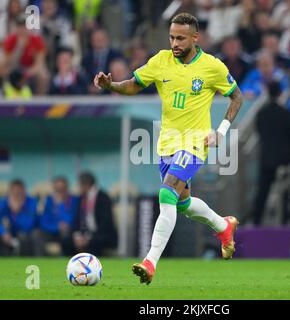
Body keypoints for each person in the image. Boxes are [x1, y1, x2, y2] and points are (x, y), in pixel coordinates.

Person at [94, 12, 243, 285]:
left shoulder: (212, 66)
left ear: (195, 38)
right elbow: (134, 85)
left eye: (181, 38)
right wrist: (110, 85)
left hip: (195, 144)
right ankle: (224, 226)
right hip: (167, 145)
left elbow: (236, 97)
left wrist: (220, 132)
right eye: (172, 37)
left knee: (166, 192)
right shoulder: (160, 60)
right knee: (182, 203)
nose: (174, 42)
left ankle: (150, 262)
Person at [249, 81, 290, 226]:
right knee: (284, 192)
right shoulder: (285, 112)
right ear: (280, 93)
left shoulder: (262, 112)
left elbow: (259, 131)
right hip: (283, 159)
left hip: (266, 159)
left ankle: (256, 221)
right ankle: (284, 222)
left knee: (262, 192)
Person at [62, 172, 117, 256]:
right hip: (83, 234)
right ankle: (71, 266)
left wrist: (88, 238)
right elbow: (76, 220)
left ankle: (93, 267)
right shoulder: (81, 198)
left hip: (101, 235)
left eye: (80, 185)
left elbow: (105, 223)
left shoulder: (103, 198)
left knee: (93, 243)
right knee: (66, 242)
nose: (79, 187)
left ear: (86, 185)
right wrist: (77, 236)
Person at [0, 179, 39, 256]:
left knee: (23, 237)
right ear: (10, 191)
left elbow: (28, 226)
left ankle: (25, 263)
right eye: (14, 190)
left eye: (19, 191)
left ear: (24, 191)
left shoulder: (31, 202)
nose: (16, 193)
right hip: (7, 233)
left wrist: (18, 211)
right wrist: (3, 231)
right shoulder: (4, 202)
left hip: (24, 232)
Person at [39, 176, 79, 255]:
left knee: (67, 234)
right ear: (54, 189)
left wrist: (60, 205)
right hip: (52, 231)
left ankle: (65, 263)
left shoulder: (74, 200)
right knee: (37, 234)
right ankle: (40, 262)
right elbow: (43, 222)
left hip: (67, 232)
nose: (60, 192)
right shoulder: (48, 201)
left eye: (62, 189)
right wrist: (57, 227)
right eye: (58, 190)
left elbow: (71, 220)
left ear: (67, 189)